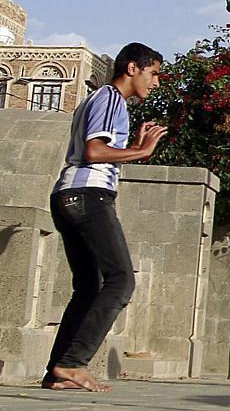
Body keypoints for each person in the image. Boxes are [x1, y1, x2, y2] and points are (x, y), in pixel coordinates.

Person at [42, 43, 167, 392]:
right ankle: (72, 363)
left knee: (87, 288)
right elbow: (94, 151)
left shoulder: (100, 101)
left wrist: (130, 148)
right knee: (121, 279)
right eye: (153, 73)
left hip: (68, 195)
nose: (155, 83)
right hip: (88, 195)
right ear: (132, 68)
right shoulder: (112, 99)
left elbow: (101, 148)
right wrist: (141, 151)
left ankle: (57, 370)